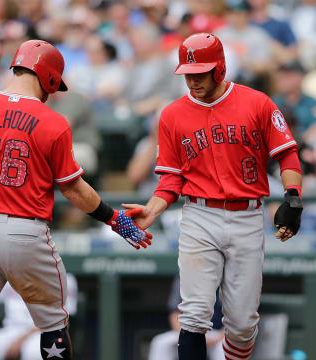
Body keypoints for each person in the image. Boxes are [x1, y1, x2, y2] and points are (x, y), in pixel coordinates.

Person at [0, 40, 152, 360]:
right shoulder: (52, 121)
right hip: (23, 231)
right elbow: (74, 189)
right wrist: (114, 219)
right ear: (48, 77)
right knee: (53, 325)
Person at [123, 33, 303, 360]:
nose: (192, 80)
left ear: (219, 68)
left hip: (248, 215)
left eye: (200, 72)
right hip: (198, 216)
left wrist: (292, 197)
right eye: (188, 73)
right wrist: (152, 209)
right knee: (193, 315)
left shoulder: (257, 102)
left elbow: (287, 154)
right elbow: (169, 180)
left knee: (243, 324)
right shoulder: (172, 115)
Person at [148, 276, 224, 360]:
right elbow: (175, 314)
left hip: (217, 335)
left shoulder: (226, 274)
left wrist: (217, 339)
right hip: (187, 330)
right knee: (161, 344)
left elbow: (234, 318)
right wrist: (189, 336)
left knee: (223, 349)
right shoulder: (185, 272)